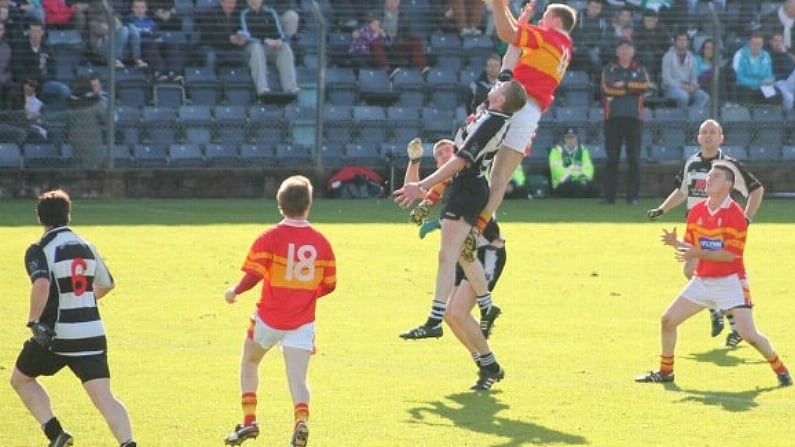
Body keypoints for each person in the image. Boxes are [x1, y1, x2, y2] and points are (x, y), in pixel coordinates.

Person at [393, 80, 527, 390]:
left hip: (487, 250)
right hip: (467, 254)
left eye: (446, 154)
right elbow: (417, 208)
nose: (442, 157)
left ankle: (478, 312)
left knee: (455, 311)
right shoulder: (453, 179)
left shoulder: (465, 173)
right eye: (437, 155)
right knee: (455, 315)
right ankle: (488, 364)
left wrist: (422, 185)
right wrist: (416, 166)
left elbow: (453, 167)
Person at [636, 164, 792, 388]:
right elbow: (692, 246)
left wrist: (696, 252)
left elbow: (730, 255)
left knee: (750, 335)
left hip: (731, 282)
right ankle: (665, 371)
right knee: (668, 321)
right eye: (708, 176)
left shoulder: (735, 214)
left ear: (728, 185)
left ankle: (780, 369)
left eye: (715, 177)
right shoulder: (697, 211)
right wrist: (676, 243)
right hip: (702, 280)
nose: (708, 179)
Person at [10, 189, 137, 447]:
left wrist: (34, 321)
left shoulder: (39, 248)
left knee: (21, 379)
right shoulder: (86, 244)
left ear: (40, 218)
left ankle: (56, 433)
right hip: (91, 332)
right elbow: (108, 284)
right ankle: (128, 443)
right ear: (68, 215)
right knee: (105, 397)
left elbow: (42, 285)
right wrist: (82, 301)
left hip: (57, 334)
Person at [223, 175, 336, 447]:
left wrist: (234, 291)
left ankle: (249, 422)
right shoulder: (321, 242)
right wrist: (305, 295)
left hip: (268, 318)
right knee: (298, 377)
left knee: (250, 361)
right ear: (308, 206)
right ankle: (301, 421)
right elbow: (330, 284)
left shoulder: (269, 238)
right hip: (303, 322)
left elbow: (254, 275)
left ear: (280, 205)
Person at [646, 119, 764, 348]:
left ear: (721, 138)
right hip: (697, 229)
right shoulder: (691, 163)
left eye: (713, 132)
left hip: (719, 230)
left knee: (693, 269)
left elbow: (757, 189)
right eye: (704, 132)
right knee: (697, 272)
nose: (708, 136)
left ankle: (721, 313)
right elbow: (682, 192)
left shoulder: (729, 166)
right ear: (698, 138)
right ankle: (731, 321)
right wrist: (662, 208)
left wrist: (746, 218)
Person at [474, 0, 575, 238]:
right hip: (532, 111)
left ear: (556, 21)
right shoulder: (565, 45)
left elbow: (507, 34)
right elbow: (515, 41)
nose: (541, 19)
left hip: (512, 101)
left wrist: (499, 5)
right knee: (500, 176)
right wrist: (514, 16)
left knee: (471, 157)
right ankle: (479, 228)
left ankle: (446, 204)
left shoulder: (547, 36)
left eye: (545, 15)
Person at [600, 38, 652, 205]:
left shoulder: (640, 69)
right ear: (617, 52)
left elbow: (644, 86)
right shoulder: (609, 69)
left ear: (632, 52)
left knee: (634, 159)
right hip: (612, 119)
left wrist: (624, 85)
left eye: (627, 48)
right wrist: (630, 90)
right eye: (621, 49)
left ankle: (633, 197)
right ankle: (609, 197)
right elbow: (607, 88)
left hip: (634, 119)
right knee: (612, 159)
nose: (624, 51)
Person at [240, 0, 300, 96]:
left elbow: (279, 31)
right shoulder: (244, 13)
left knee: (285, 47)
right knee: (257, 48)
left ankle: (291, 88)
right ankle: (262, 89)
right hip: (252, 46)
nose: (253, 1)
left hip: (269, 46)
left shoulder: (270, 12)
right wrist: (264, 40)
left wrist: (280, 40)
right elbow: (247, 35)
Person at [661, 31, 709, 108]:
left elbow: (694, 76)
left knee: (704, 97)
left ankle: (691, 115)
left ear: (688, 42)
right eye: (679, 40)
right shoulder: (667, 57)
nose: (682, 42)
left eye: (684, 40)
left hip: (688, 87)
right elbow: (666, 79)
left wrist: (693, 85)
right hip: (671, 88)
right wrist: (682, 86)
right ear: (675, 42)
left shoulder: (692, 57)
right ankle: (682, 118)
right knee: (683, 96)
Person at [732, 31, 779, 106]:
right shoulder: (739, 55)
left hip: (762, 87)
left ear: (762, 44)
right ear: (749, 43)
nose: (756, 46)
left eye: (759, 44)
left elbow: (768, 75)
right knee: (746, 93)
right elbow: (739, 78)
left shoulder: (766, 55)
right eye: (754, 44)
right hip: (744, 87)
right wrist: (759, 82)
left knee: (776, 95)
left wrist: (769, 81)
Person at [548, 127, 597, 198]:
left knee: (592, 188)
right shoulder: (556, 151)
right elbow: (557, 170)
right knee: (574, 187)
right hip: (562, 184)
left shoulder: (583, 151)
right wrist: (576, 172)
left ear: (577, 138)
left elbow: (589, 170)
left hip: (580, 183)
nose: (570, 140)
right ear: (564, 138)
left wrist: (571, 171)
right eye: (568, 138)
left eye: (572, 137)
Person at [769, 31, 795, 110]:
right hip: (776, 82)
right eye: (776, 41)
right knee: (789, 99)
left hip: (789, 81)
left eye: (780, 41)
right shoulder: (767, 54)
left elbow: (790, 69)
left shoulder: (787, 54)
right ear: (771, 42)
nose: (778, 43)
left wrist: (784, 53)